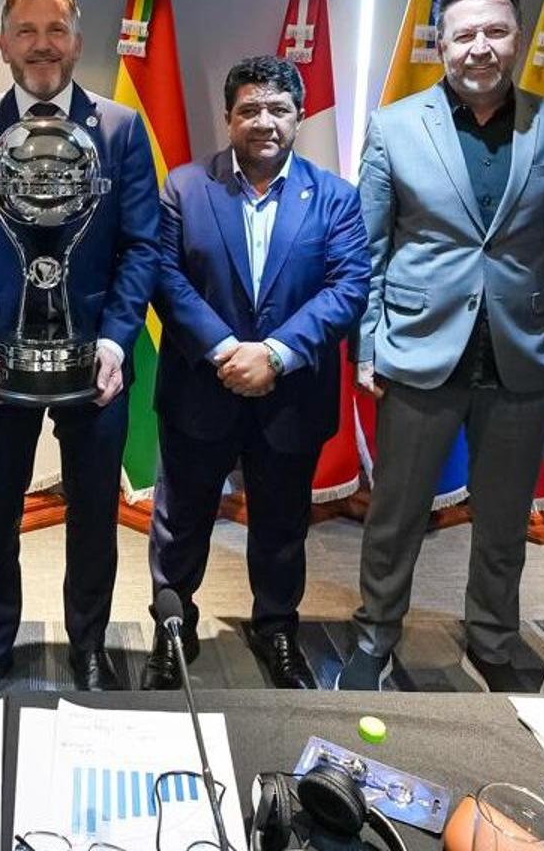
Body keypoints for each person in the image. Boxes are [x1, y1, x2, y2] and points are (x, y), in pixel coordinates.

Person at [342, 0, 544, 692]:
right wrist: (368, 342)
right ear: (441, 43)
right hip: (420, 347)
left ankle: (492, 635)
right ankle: (375, 634)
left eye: (496, 32)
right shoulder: (394, 125)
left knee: (506, 516)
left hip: (524, 348)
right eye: (464, 34)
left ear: (516, 37)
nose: (480, 48)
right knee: (397, 513)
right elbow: (370, 248)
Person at [0, 0, 159, 691]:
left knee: (95, 515)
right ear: (3, 43)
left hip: (99, 365)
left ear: (78, 41)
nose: (41, 45)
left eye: (55, 30)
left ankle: (89, 645)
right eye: (25, 31)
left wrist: (118, 340)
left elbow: (142, 245)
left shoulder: (118, 129)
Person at [145, 55, 370, 691]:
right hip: (200, 386)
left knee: (280, 524)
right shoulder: (186, 187)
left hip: (290, 393)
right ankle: (173, 626)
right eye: (249, 110)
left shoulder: (335, 197)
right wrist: (224, 349)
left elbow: (349, 286)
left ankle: (276, 629)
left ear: (298, 117)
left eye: (278, 110)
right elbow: (165, 276)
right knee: (181, 519)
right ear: (228, 118)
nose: (264, 122)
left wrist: (274, 353)